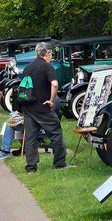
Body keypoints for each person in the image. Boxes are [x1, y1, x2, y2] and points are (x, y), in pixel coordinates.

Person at [20, 42, 68, 172]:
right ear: (46, 53)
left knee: (30, 137)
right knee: (56, 133)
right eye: (51, 54)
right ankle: (60, 163)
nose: (51, 56)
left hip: (28, 107)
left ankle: (31, 167)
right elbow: (54, 84)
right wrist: (52, 101)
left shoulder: (28, 68)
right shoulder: (48, 67)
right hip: (42, 107)